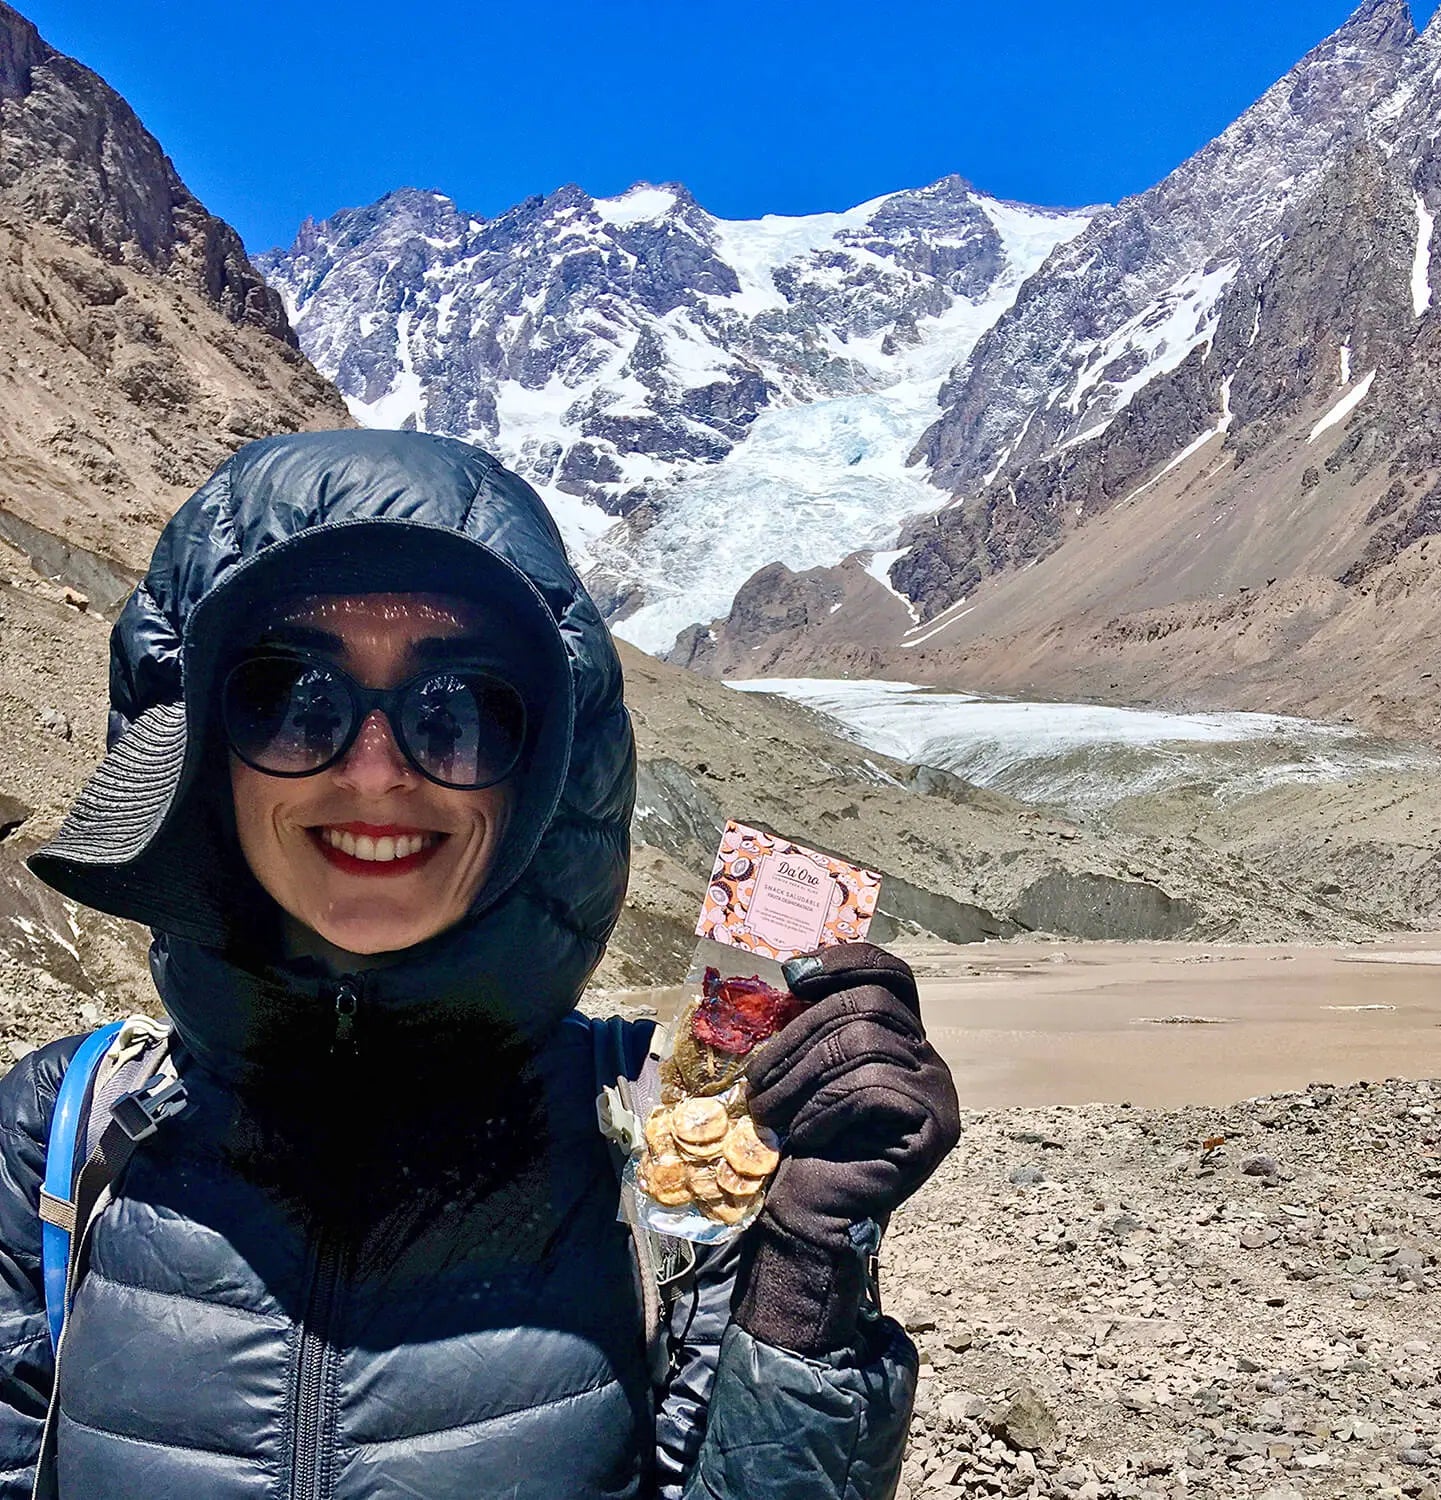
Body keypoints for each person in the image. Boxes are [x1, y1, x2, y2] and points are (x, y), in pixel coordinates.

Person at [0, 429, 960, 1498]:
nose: (375, 773)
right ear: (202, 757)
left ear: (546, 772)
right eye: (290, 698)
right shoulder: (56, 1139)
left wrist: (809, 1279)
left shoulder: (665, 1139)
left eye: (458, 711)